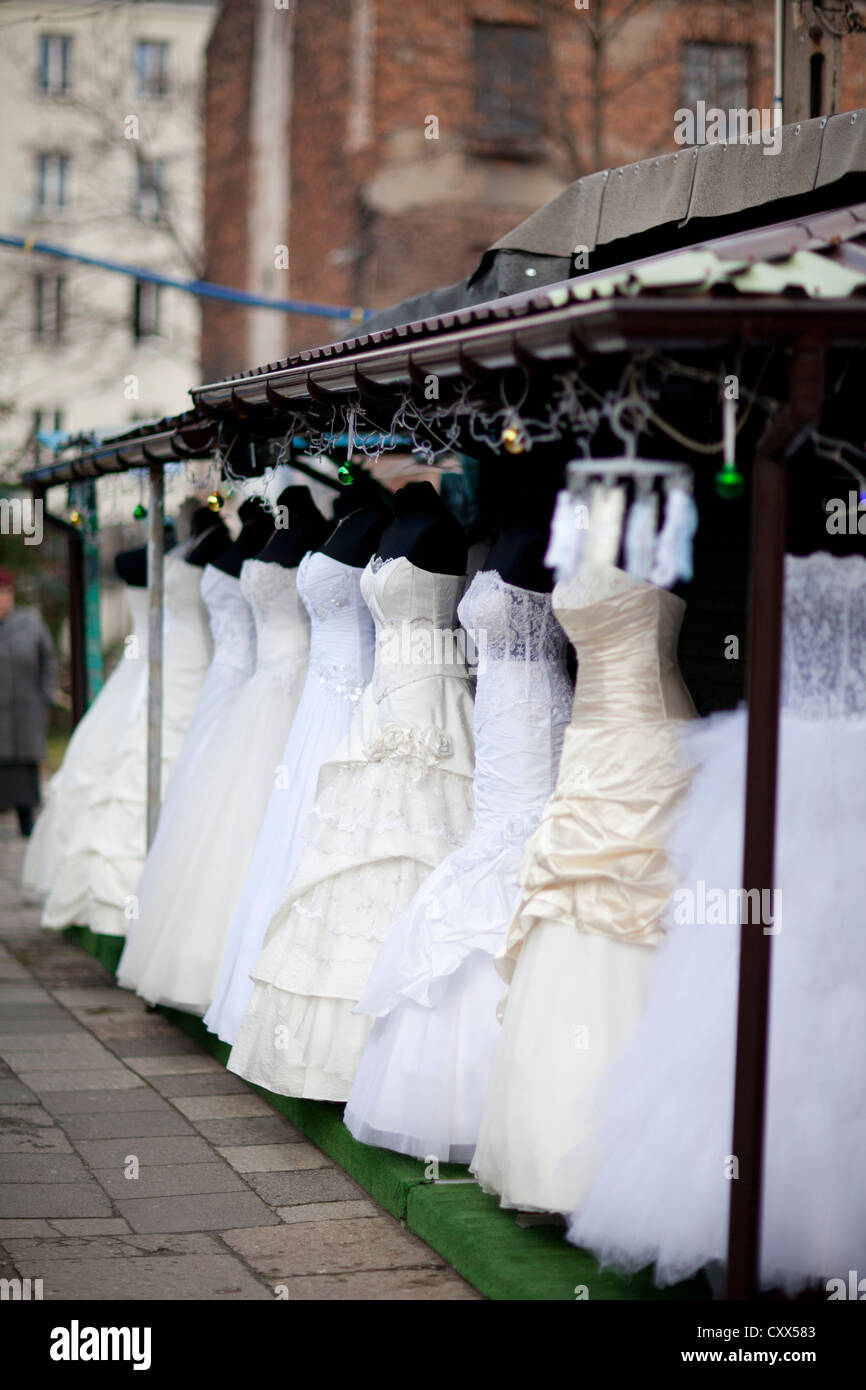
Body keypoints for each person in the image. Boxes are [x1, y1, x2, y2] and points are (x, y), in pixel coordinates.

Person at [0, 568, 57, 837]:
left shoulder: (30, 623)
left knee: (24, 771)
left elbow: (48, 661)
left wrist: (45, 695)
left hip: (26, 709)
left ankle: (27, 822)